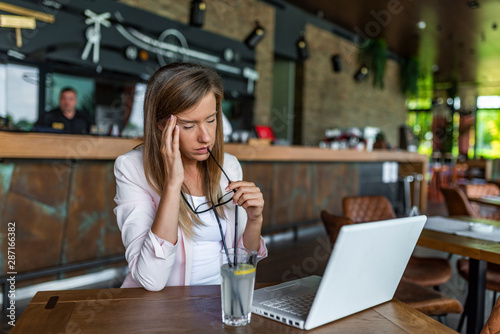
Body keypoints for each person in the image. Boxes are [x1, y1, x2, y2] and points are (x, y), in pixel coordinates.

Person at [114, 63, 268, 290]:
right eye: (188, 125)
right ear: (161, 125)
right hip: (161, 312)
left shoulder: (229, 166)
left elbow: (241, 264)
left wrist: (255, 220)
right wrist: (172, 184)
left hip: (220, 306)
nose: (206, 137)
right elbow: (150, 280)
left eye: (211, 119)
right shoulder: (131, 168)